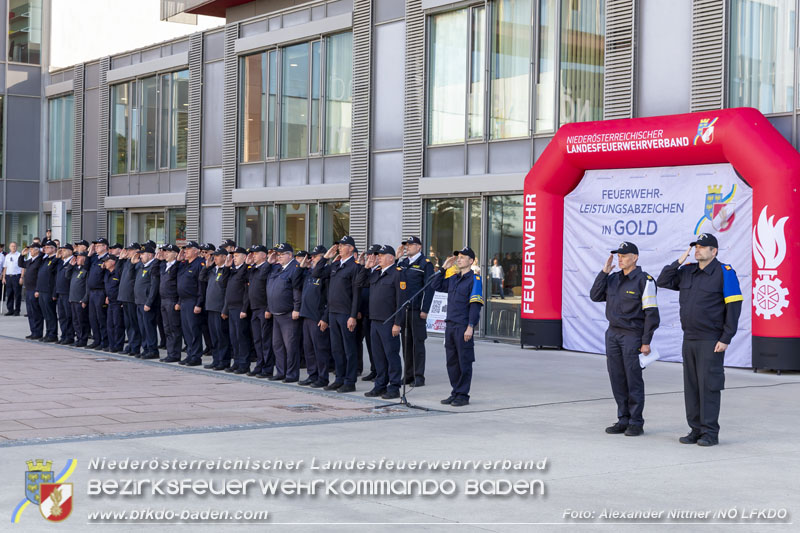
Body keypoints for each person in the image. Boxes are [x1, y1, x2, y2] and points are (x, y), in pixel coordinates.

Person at [656, 233, 743, 447]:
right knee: (692, 387)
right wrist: (678, 261)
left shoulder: (725, 273)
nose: (697, 250)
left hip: (711, 340)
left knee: (709, 386)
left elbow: (734, 307)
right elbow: (663, 280)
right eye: (696, 247)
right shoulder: (687, 271)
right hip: (690, 338)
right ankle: (695, 429)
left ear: (714, 251)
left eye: (702, 247)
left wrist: (726, 337)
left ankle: (710, 432)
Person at [589, 241, 660, 437]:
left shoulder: (645, 281)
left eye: (624, 256)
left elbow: (651, 314)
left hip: (632, 335)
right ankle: (623, 419)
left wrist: (646, 341)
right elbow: (595, 295)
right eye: (618, 256)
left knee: (633, 379)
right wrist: (604, 272)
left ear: (635, 257)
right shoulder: (613, 279)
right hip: (613, 334)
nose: (620, 259)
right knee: (617, 378)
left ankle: (636, 422)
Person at [430, 247, 484, 407]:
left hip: (463, 326)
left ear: (471, 261)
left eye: (462, 257)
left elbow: (475, 306)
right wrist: (443, 268)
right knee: (452, 362)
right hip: (450, 325)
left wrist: (471, 326)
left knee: (464, 361)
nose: (459, 259)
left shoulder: (475, 280)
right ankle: (455, 391)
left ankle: (463, 395)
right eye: (458, 257)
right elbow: (435, 285)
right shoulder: (453, 278)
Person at [312, 236, 363, 393]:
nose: (339, 247)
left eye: (343, 245)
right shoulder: (335, 265)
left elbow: (356, 294)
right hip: (333, 312)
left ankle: (350, 381)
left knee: (349, 349)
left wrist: (353, 316)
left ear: (351, 248)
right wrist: (326, 258)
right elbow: (316, 273)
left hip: (346, 313)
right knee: (336, 349)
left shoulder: (354, 267)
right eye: (339, 245)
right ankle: (339, 378)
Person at [358, 246, 407, 399]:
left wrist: (397, 323)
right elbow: (359, 283)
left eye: (382, 255)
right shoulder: (376, 273)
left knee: (391, 355)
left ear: (391, 258)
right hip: (374, 320)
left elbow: (401, 301)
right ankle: (380, 385)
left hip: (389, 322)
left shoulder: (397, 274)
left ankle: (394, 387)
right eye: (378, 255)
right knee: (378, 356)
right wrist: (366, 268)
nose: (378, 258)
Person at [398, 236, 435, 387]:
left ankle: (419, 376)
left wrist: (425, 309)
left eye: (411, 245)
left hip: (417, 310)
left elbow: (429, 288)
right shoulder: (403, 263)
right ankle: (408, 375)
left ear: (419, 247)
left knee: (417, 343)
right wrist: (396, 258)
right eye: (406, 245)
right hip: (404, 309)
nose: (407, 247)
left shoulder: (425, 264)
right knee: (406, 343)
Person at [265, 243, 303, 383]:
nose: (279, 257)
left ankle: (292, 374)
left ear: (290, 255)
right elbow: (267, 284)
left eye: (282, 254)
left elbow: (297, 290)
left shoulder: (294, 268)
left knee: (290, 346)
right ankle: (281, 372)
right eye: (278, 254)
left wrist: (296, 308)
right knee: (277, 345)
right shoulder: (276, 268)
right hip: (276, 313)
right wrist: (269, 263)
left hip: (288, 314)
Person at [298, 245, 331, 388]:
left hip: (317, 317)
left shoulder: (326, 273)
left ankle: (322, 377)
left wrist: (325, 318)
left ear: (323, 257)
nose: (312, 259)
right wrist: (301, 267)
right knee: (309, 349)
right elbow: (295, 283)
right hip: (306, 315)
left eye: (315, 256)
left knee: (320, 349)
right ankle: (312, 375)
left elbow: (330, 298)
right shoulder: (309, 272)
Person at [241, 244, 273, 378]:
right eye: (252, 253)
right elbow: (242, 279)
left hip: (263, 308)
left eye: (256, 253)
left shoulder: (267, 267)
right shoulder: (253, 269)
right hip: (254, 309)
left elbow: (269, 289)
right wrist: (246, 265)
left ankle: (267, 368)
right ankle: (259, 365)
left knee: (266, 340)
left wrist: (268, 308)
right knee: (257, 340)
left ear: (264, 255)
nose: (253, 255)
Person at [223, 246, 252, 374]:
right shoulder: (233, 270)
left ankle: (244, 364)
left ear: (244, 257)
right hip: (231, 307)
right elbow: (223, 283)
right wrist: (226, 267)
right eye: (233, 256)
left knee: (241, 337)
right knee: (234, 337)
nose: (234, 258)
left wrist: (244, 309)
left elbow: (247, 292)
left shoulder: (246, 270)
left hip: (240, 308)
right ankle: (236, 362)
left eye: (236, 256)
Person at [177, 241, 205, 366]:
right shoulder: (184, 264)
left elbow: (201, 286)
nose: (185, 251)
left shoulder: (199, 264)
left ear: (196, 251)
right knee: (186, 330)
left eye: (188, 249)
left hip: (193, 301)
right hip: (184, 301)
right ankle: (190, 354)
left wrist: (199, 303)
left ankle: (196, 356)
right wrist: (178, 261)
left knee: (194, 330)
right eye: (185, 249)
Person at [204, 248, 232, 371]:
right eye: (214, 256)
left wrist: (225, 309)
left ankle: (223, 361)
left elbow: (227, 292)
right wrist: (207, 267)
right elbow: (201, 278)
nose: (214, 258)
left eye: (217, 256)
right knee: (214, 336)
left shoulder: (226, 271)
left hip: (220, 308)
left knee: (222, 337)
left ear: (224, 257)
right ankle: (216, 360)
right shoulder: (212, 270)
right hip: (211, 307)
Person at [357, 244, 382, 382]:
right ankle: (374, 369)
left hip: (378, 314)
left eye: (373, 254)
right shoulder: (367, 269)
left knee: (378, 346)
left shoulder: (381, 270)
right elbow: (359, 284)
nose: (370, 257)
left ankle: (381, 371)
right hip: (366, 312)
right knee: (370, 344)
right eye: (369, 254)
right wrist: (364, 267)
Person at [134, 244, 160, 359]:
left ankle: (152, 350)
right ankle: (145, 348)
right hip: (139, 301)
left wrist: (149, 302)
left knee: (149, 327)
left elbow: (154, 286)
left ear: (150, 255)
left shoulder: (153, 266)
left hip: (147, 303)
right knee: (142, 327)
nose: (140, 256)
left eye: (143, 254)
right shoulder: (142, 266)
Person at [158, 244, 182, 363]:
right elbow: (154, 273)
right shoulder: (164, 265)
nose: (165, 253)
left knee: (174, 328)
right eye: (165, 251)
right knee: (166, 328)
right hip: (163, 300)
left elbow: (180, 285)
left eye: (169, 252)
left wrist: (179, 301)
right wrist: (158, 260)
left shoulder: (177, 266)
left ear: (176, 254)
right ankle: (170, 352)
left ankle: (175, 354)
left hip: (172, 300)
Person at [85, 238, 110, 350]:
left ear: (105, 247)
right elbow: (85, 268)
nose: (96, 247)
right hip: (92, 292)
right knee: (93, 318)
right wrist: (89, 255)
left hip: (101, 291)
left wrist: (107, 294)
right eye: (96, 245)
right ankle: (97, 340)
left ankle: (104, 341)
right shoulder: (94, 258)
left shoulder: (108, 258)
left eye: (99, 245)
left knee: (101, 318)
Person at [118, 244, 141, 356]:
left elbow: (133, 278)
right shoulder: (127, 262)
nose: (128, 252)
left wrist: (132, 263)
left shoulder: (138, 262)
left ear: (137, 251)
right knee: (128, 324)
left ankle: (135, 346)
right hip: (124, 297)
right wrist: (120, 260)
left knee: (133, 324)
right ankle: (131, 345)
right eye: (128, 250)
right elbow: (118, 273)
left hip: (132, 297)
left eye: (131, 250)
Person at [35, 240, 60, 343]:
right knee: (45, 314)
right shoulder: (45, 259)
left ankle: (53, 334)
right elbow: (39, 274)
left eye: (48, 247)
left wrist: (54, 293)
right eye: (45, 247)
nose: (45, 249)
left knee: (50, 313)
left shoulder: (56, 260)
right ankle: (48, 333)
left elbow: (53, 275)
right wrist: (37, 289)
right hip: (42, 290)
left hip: (49, 290)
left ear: (54, 249)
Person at [19, 243, 44, 339]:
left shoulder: (40, 260)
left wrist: (38, 289)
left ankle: (38, 332)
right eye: (30, 249)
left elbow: (40, 277)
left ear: (37, 250)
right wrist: (22, 255)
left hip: (34, 289)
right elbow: (21, 264)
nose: (30, 251)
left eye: (32, 249)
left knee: (36, 312)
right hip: (28, 289)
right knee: (30, 312)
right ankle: (33, 331)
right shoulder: (31, 260)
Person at [68, 251, 91, 347]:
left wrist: (85, 299)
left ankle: (83, 339)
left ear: (84, 258)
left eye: (79, 257)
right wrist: (70, 266)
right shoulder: (75, 269)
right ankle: (78, 338)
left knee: (82, 321)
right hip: (73, 298)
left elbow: (87, 286)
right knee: (75, 321)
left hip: (80, 299)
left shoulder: (86, 270)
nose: (77, 258)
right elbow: (67, 276)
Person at [103, 255, 125, 353]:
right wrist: (107, 296)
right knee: (110, 325)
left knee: (118, 325)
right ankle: (112, 345)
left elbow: (121, 287)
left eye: (107, 261)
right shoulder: (107, 273)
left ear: (113, 262)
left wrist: (121, 300)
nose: (105, 263)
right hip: (110, 302)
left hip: (117, 302)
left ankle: (118, 345)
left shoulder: (118, 272)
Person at [55, 244, 75, 344]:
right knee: (62, 316)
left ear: (70, 251)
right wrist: (57, 257)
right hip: (60, 292)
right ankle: (63, 335)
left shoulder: (73, 261)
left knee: (68, 316)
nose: (62, 251)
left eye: (64, 250)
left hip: (68, 292)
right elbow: (52, 269)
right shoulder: (61, 262)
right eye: (61, 250)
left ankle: (69, 336)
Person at [3, 242, 23, 315]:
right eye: (12, 246)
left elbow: (23, 267)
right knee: (9, 294)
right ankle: (10, 310)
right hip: (8, 277)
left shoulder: (20, 255)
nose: (13, 247)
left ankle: (17, 310)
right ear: (9, 247)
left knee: (17, 295)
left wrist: (21, 277)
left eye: (14, 246)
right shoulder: (7, 256)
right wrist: (4, 277)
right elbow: (5, 267)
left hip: (16, 276)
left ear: (17, 247)